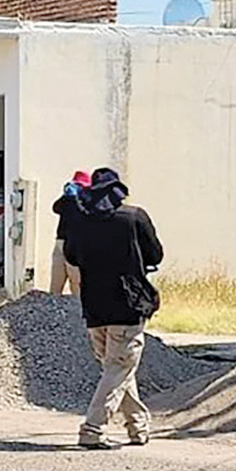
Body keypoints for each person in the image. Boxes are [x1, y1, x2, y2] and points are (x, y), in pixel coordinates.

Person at [66, 167, 163, 450]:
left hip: (94, 306)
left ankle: (138, 426)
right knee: (119, 367)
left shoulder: (81, 221)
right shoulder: (134, 217)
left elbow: (71, 255)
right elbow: (156, 253)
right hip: (127, 303)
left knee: (116, 368)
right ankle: (93, 429)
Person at [50, 170, 90, 297]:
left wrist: (77, 199)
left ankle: (78, 313)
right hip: (61, 242)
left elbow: (81, 215)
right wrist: (66, 197)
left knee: (77, 284)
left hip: (77, 244)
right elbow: (56, 208)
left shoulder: (88, 202)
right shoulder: (67, 202)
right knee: (56, 285)